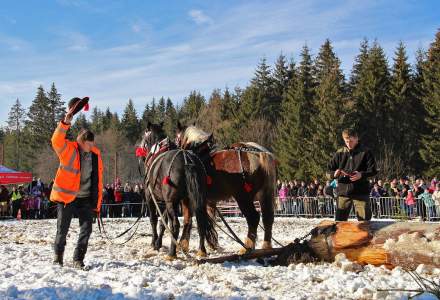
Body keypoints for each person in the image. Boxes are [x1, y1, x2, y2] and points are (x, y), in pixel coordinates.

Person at [50, 98, 103, 269]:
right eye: (88, 144)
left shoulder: (95, 155)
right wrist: (66, 122)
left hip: (86, 199)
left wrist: (96, 205)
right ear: (81, 142)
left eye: (92, 144)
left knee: (87, 230)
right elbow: (56, 140)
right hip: (67, 198)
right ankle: (58, 258)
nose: (91, 147)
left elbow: (98, 181)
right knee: (62, 230)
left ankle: (78, 259)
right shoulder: (68, 150)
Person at [328, 128, 377, 221]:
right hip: (343, 193)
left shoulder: (366, 152)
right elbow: (328, 171)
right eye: (346, 141)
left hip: (361, 192)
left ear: (356, 139)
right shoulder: (339, 153)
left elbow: (373, 170)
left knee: (364, 223)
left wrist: (361, 175)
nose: (349, 144)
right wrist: (333, 174)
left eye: (351, 141)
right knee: (339, 223)